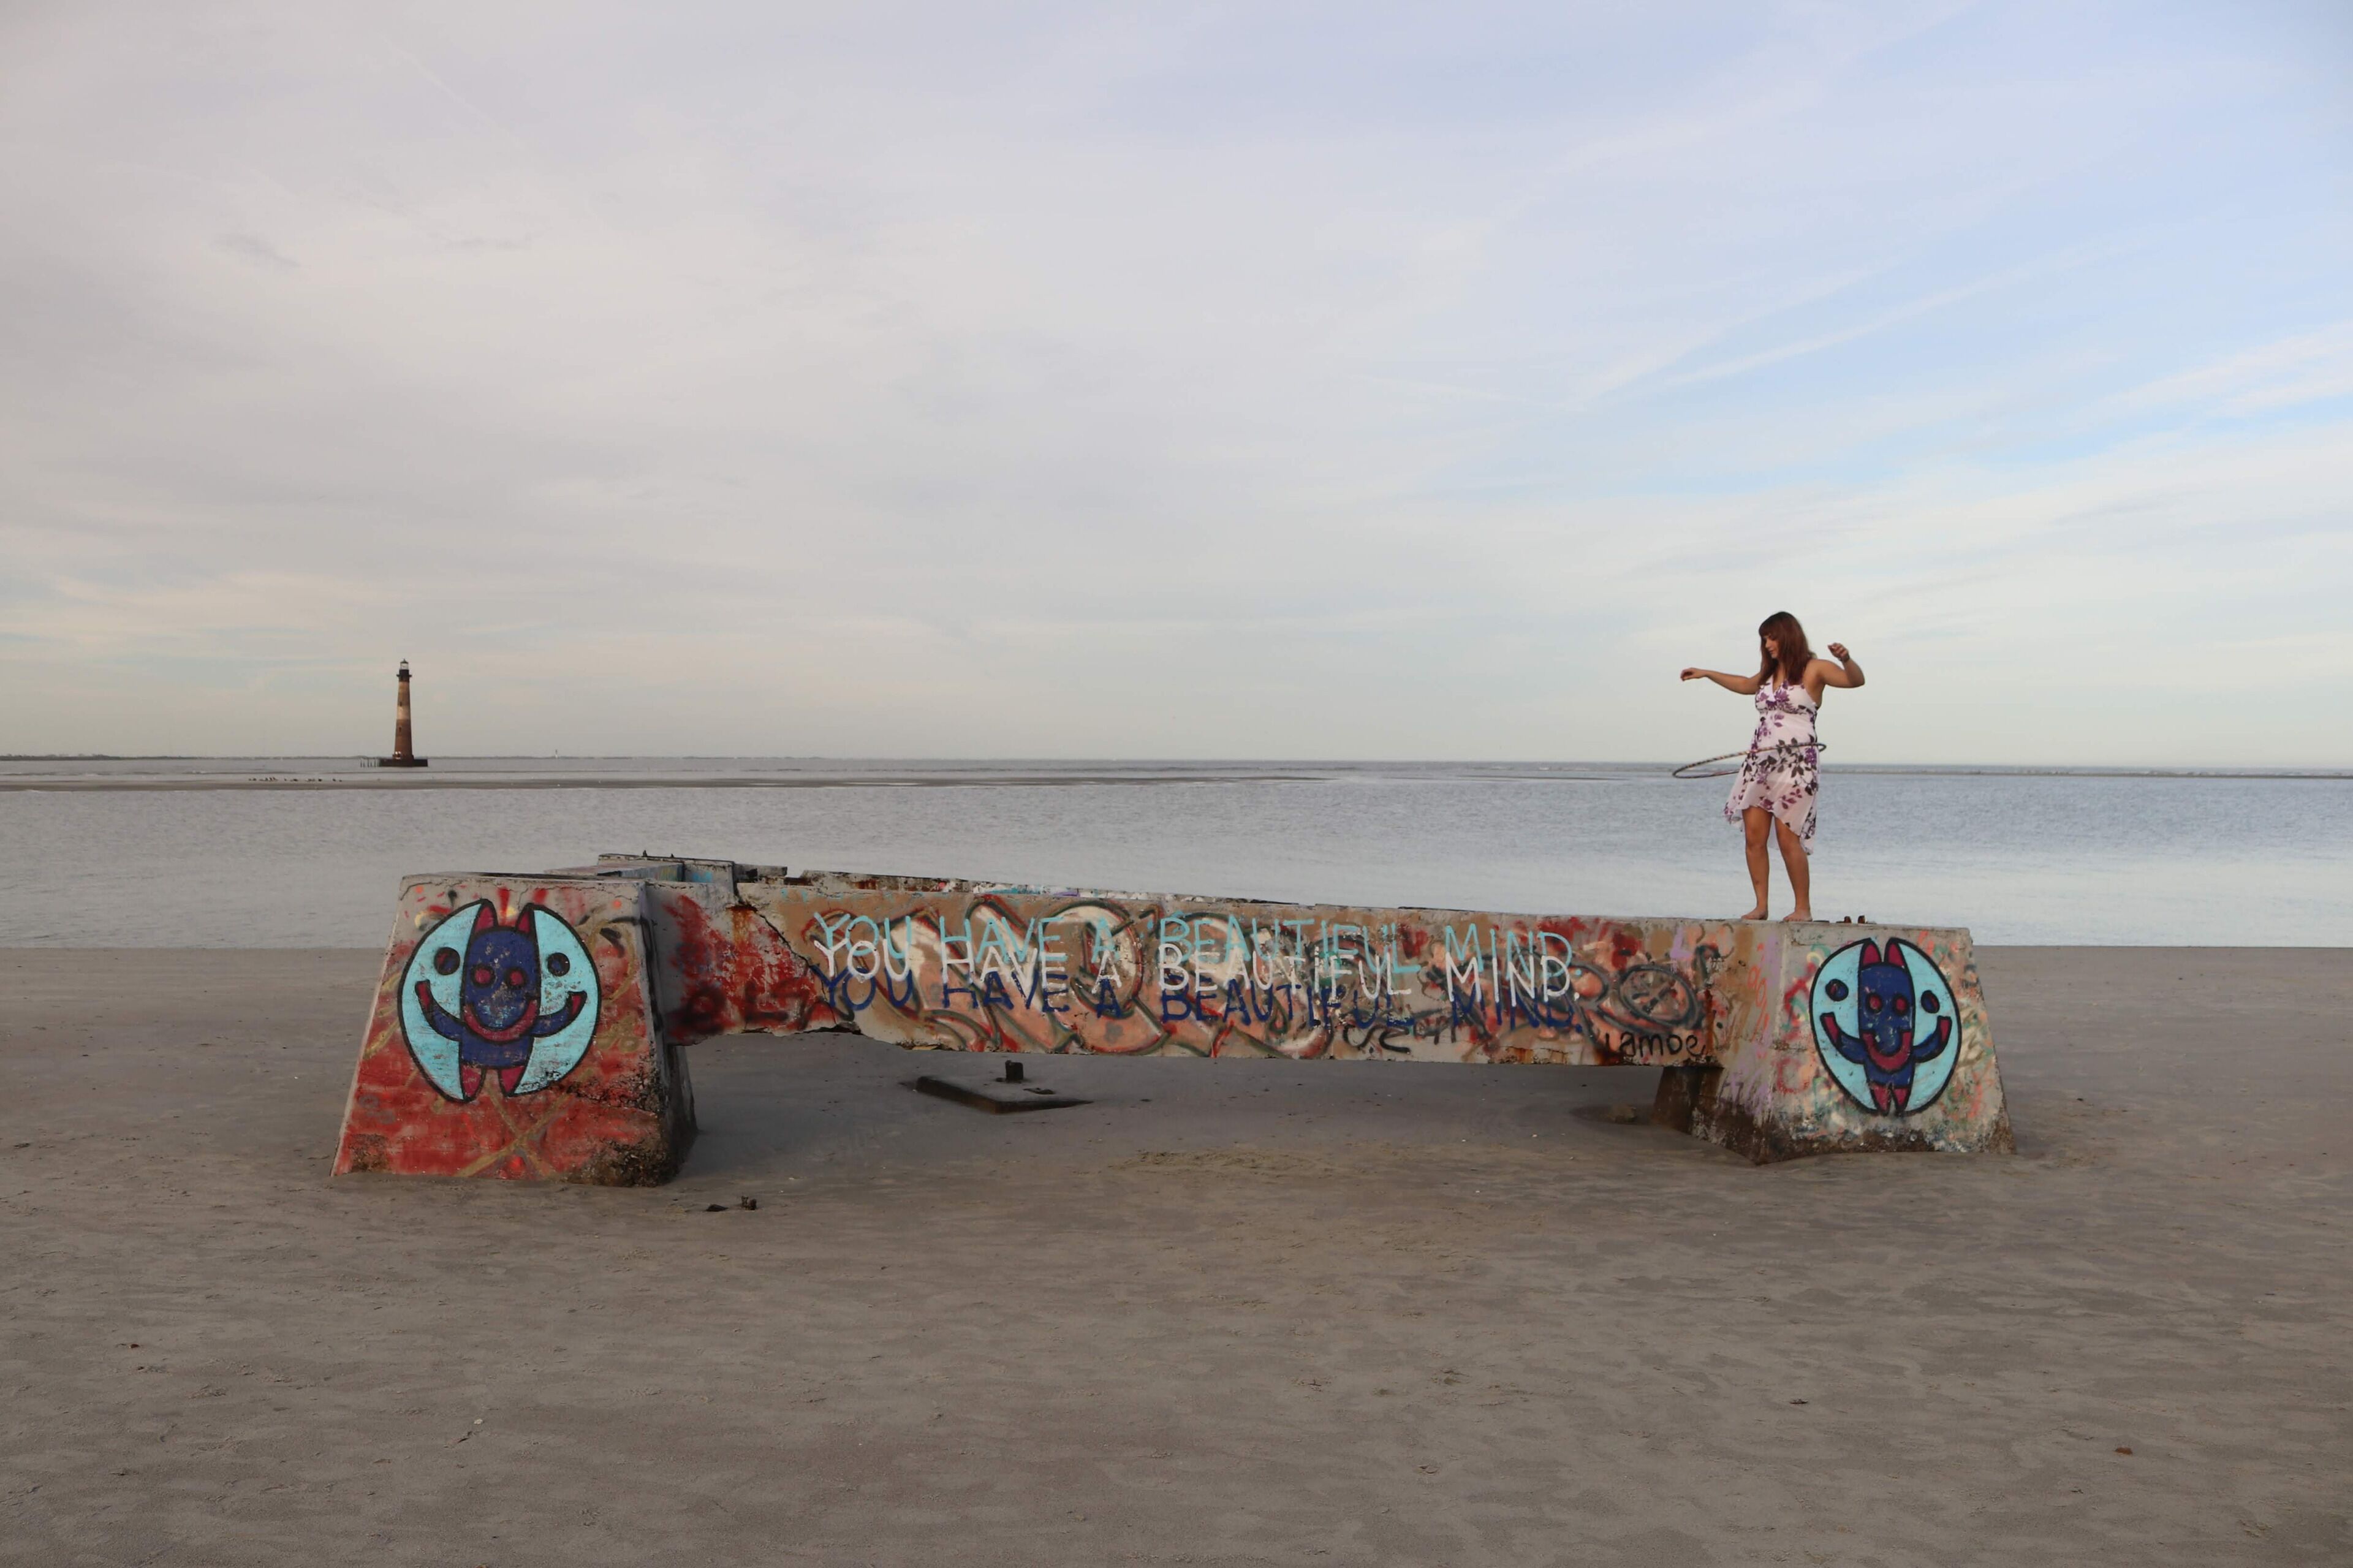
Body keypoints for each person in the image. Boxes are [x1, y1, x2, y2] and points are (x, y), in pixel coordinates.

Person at [1680, 612, 1863, 922]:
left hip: (1796, 765)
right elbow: (1743, 684)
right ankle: (1761, 905)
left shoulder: (1814, 669)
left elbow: (1855, 681)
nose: (1767, 645)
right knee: (1754, 837)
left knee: (1787, 836)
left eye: (1772, 637)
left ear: (1788, 636)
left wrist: (1847, 660)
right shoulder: (1768, 675)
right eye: (1764, 639)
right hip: (1760, 764)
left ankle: (1802, 909)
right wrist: (1707, 673)